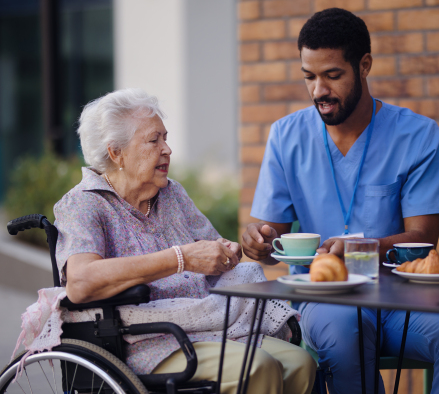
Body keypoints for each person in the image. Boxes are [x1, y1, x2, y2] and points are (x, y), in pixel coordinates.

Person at [242, 8, 439, 394]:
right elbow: (272, 236)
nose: (318, 91)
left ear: (364, 65)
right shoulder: (285, 136)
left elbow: (424, 239)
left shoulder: (418, 135)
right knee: (344, 332)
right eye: (309, 77)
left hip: (401, 302)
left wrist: (360, 249)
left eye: (332, 75)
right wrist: (257, 242)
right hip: (325, 300)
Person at [54, 88, 315, 394]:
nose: (167, 149)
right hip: (143, 341)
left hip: (204, 325)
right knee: (257, 368)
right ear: (116, 153)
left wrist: (228, 250)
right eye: (154, 140)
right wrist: (181, 258)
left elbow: (213, 247)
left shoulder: (171, 193)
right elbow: (81, 281)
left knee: (300, 362)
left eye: (165, 138)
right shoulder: (84, 204)